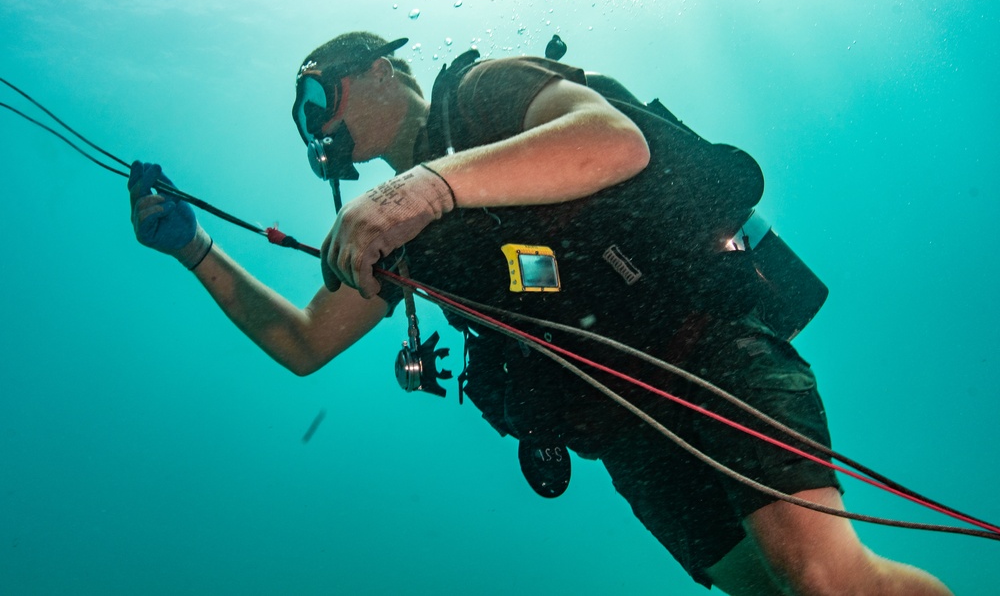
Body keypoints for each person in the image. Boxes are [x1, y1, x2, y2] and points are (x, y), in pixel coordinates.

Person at [128, 31, 953, 595]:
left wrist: (429, 187)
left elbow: (615, 140)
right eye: (307, 120)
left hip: (702, 343)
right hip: (622, 424)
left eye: (319, 95)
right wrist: (195, 249)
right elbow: (305, 340)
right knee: (765, 587)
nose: (318, 126)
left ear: (382, 67)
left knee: (822, 575)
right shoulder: (395, 234)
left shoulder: (484, 94)